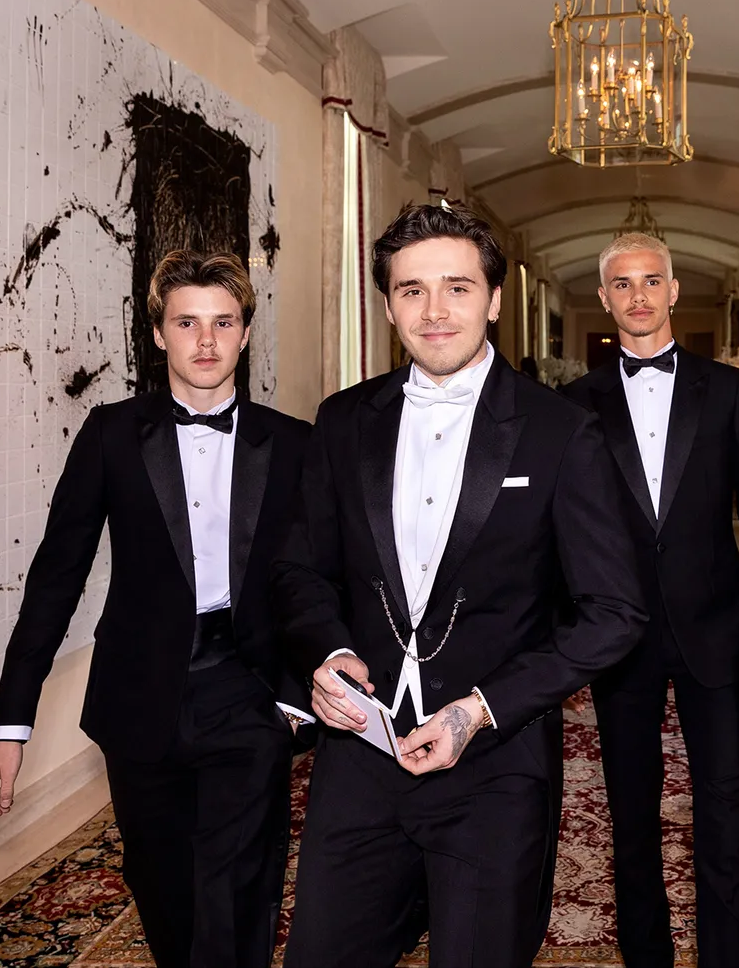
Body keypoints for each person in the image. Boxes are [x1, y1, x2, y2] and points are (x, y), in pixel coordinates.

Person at [274, 203, 647, 968]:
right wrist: (330, 650)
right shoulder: (343, 422)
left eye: (457, 287)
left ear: (495, 300)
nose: (435, 311)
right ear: (387, 306)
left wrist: (479, 710)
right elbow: (299, 569)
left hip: (495, 767)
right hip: (360, 757)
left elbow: (615, 612)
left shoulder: (560, 431)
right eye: (411, 290)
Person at [0, 251, 312, 968]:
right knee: (162, 887)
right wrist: (10, 727)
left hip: (250, 694)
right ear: (158, 333)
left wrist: (293, 697)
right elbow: (55, 580)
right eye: (187, 323)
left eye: (224, 322)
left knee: (240, 890)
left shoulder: (292, 442)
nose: (207, 341)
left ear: (246, 332)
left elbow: (319, 578)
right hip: (138, 698)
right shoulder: (111, 433)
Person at [563, 233, 739, 968]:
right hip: (620, 635)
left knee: (724, 813)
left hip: (719, 629)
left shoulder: (727, 390)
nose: (639, 296)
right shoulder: (575, 403)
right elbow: (562, 530)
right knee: (630, 815)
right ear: (604, 297)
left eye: (651, 280)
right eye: (623, 284)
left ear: (674, 290)